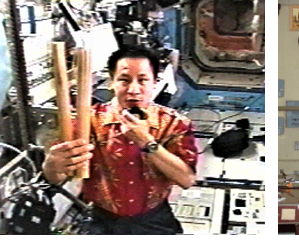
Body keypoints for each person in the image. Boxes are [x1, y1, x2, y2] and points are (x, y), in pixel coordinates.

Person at [42, 46, 199, 234]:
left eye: (142, 80)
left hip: (154, 218)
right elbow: (57, 176)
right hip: (102, 219)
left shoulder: (174, 124)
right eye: (124, 80)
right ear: (112, 83)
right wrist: (51, 167)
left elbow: (187, 180)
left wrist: (148, 143)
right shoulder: (87, 121)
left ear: (154, 83)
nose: (133, 90)